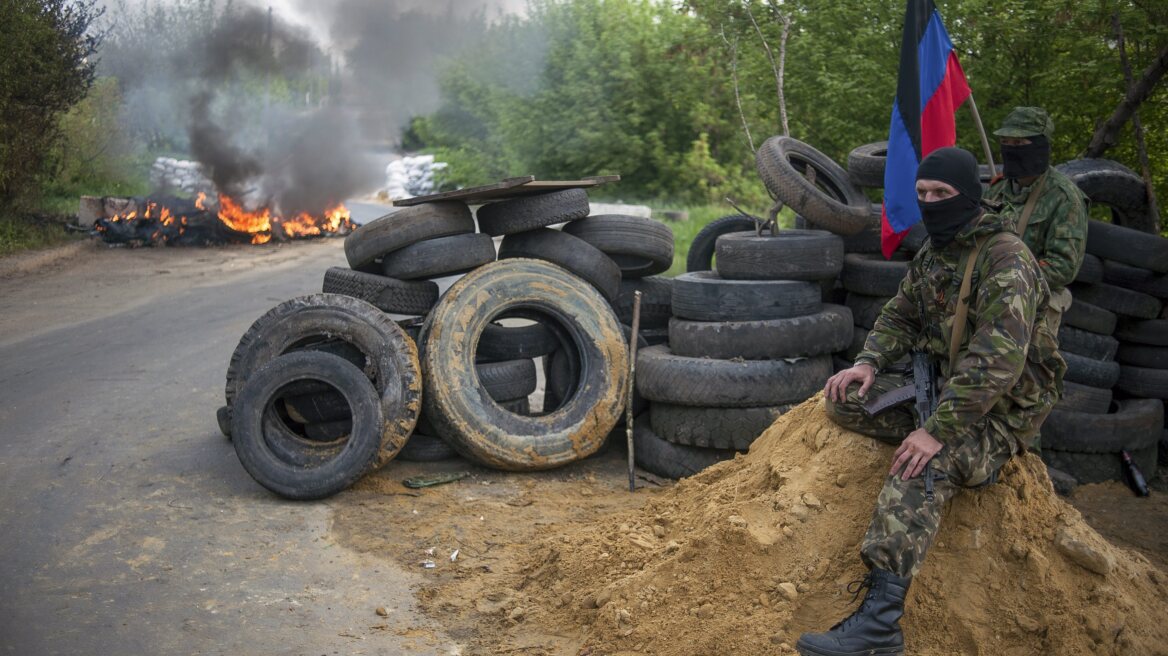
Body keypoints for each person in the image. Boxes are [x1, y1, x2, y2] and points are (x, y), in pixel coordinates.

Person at [795, 147, 1065, 656]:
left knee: (919, 468)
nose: (930, 202)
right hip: (945, 389)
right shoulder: (937, 251)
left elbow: (996, 364)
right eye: (922, 193)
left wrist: (934, 431)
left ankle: (880, 625)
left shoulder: (1007, 260)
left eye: (941, 193)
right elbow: (901, 314)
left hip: (999, 413)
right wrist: (869, 362)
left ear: (968, 195)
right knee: (846, 401)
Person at [986, 106, 1088, 331]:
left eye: (1020, 144)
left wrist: (1006, 278)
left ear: (1040, 145)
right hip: (988, 298)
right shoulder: (997, 190)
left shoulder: (1064, 197)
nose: (1011, 149)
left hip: (1034, 304)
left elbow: (1063, 266)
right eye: (1006, 142)